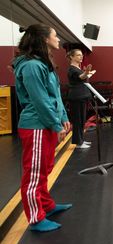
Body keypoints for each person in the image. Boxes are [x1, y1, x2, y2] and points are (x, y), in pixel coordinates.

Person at [12, 24, 72, 232]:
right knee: (34, 173)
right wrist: (55, 124)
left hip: (46, 122)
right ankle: (36, 218)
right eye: (55, 35)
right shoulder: (31, 66)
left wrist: (63, 116)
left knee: (45, 169)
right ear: (44, 39)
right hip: (36, 124)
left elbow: (54, 95)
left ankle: (47, 205)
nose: (58, 39)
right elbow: (39, 100)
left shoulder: (43, 63)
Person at [65, 49, 94, 149]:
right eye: (78, 55)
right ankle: (78, 143)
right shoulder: (72, 69)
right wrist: (86, 72)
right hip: (76, 97)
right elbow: (81, 77)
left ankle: (81, 140)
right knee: (77, 120)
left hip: (81, 97)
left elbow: (82, 76)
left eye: (81, 55)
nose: (81, 57)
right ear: (72, 57)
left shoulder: (78, 68)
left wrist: (87, 73)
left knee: (82, 120)